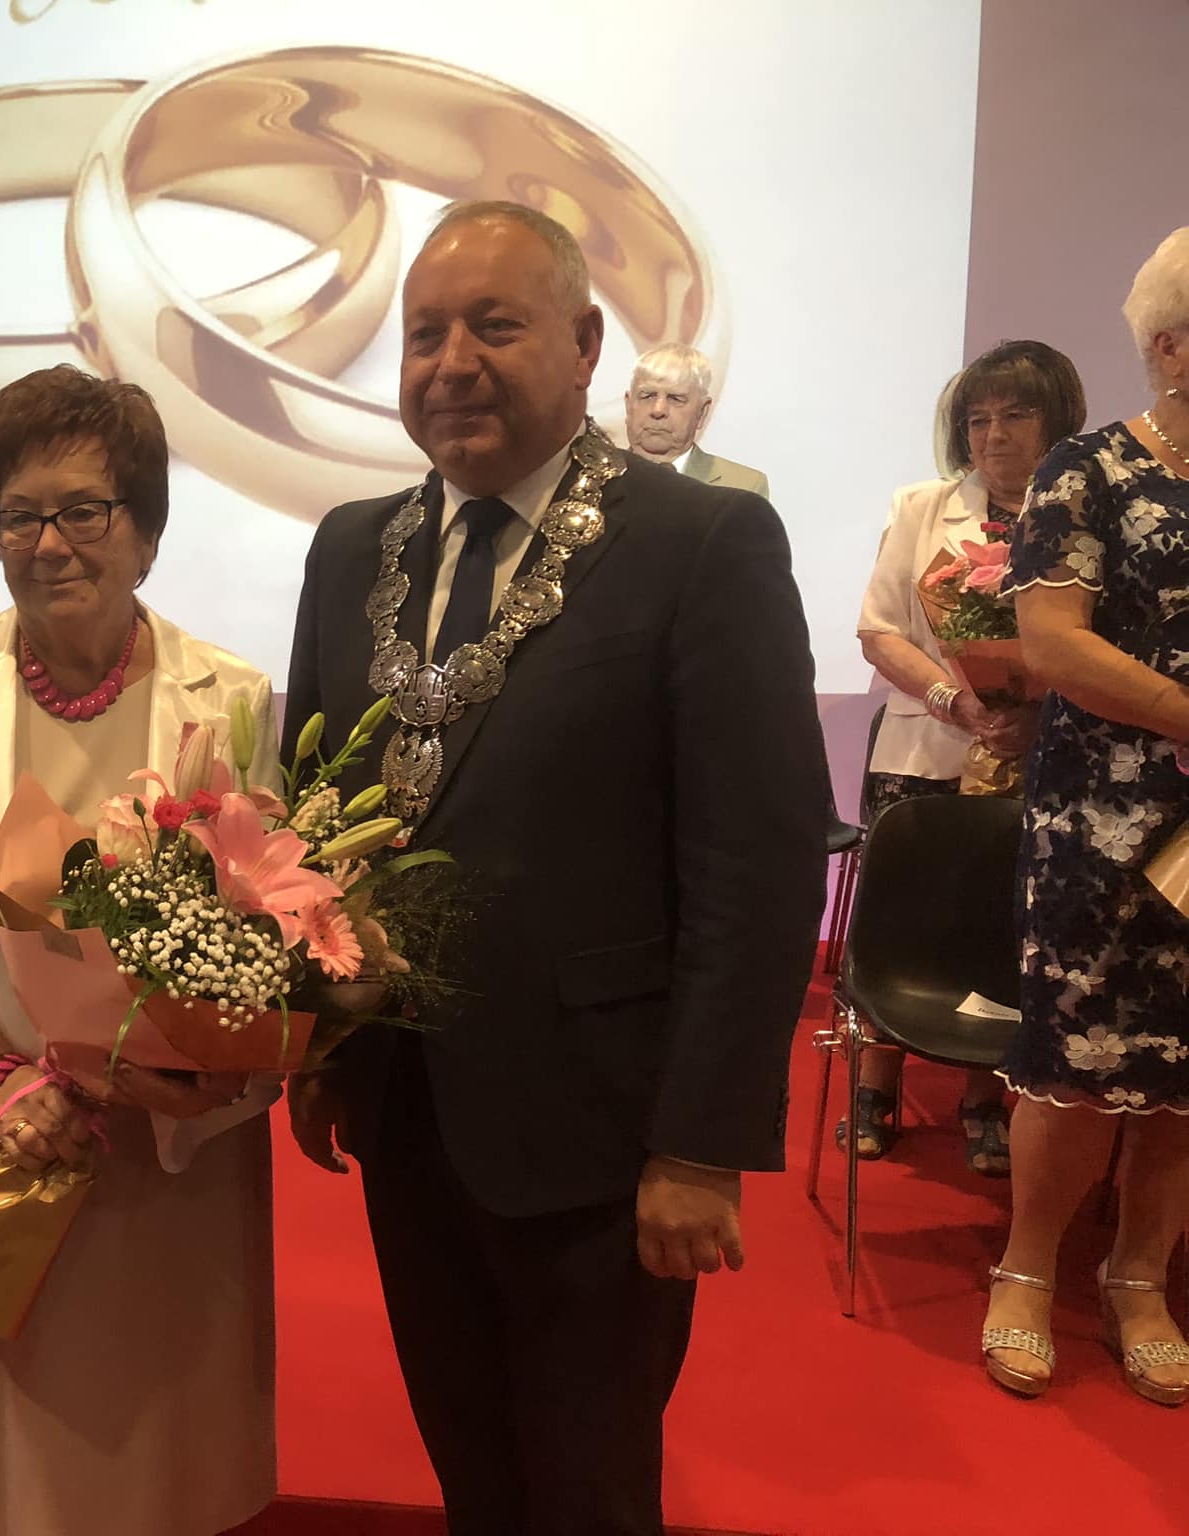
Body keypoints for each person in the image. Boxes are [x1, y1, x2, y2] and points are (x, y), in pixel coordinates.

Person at [284, 202, 827, 1534]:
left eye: (494, 326)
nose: (452, 364)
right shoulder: (351, 547)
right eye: (425, 334)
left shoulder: (701, 544)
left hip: (603, 1134)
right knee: (469, 1470)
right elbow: (314, 818)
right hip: (405, 1111)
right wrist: (313, 1045)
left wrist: (700, 1146)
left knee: (587, 1493)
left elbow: (756, 867)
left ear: (585, 345)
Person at [0, 364, 280, 1536]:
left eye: (83, 509)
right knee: (20, 1466)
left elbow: (268, 909)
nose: (48, 544)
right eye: (18, 514)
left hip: (169, 1146)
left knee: (174, 1438)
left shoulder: (230, 694)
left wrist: (193, 1062)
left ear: (144, 530)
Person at [980, 228, 1189, 1408]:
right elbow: (1050, 645)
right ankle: (1024, 1269)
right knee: (1076, 1058)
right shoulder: (1087, 470)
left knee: (1183, 1071)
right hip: (1100, 822)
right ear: (1167, 345)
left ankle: (1137, 1278)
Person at [847, 340, 1087, 1173]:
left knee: (1002, 924)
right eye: (978, 419)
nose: (994, 435)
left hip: (1044, 757)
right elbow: (878, 629)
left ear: (1057, 422)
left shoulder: (1080, 519)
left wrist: (1034, 711)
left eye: (1016, 415)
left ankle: (985, 1096)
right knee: (903, 919)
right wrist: (962, 700)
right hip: (926, 745)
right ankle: (875, 1085)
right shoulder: (922, 507)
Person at [623, 341, 769, 497]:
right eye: (647, 396)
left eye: (675, 398)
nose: (658, 410)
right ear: (628, 405)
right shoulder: (604, 478)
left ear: (702, 412)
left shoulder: (744, 487)